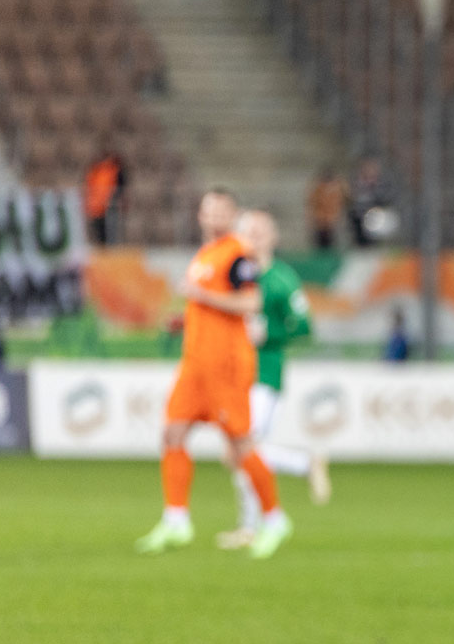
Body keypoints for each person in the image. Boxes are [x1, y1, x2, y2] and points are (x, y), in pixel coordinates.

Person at [135, 189, 293, 560]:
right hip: (196, 364)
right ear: (200, 215)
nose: (214, 217)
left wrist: (201, 297)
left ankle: (274, 519)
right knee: (172, 432)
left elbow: (249, 302)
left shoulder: (238, 254)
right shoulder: (204, 255)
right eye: (208, 210)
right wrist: (184, 318)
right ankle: (176, 519)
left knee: (240, 446)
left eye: (222, 211)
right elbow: (204, 303)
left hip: (225, 365)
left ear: (232, 215)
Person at [216, 209, 330, 551]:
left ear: (274, 237)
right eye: (249, 230)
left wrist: (272, 333)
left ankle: (256, 524)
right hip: (235, 372)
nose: (255, 236)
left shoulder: (282, 279)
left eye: (261, 230)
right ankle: (303, 464)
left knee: (243, 449)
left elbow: (305, 325)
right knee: (237, 453)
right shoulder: (237, 275)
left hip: (266, 373)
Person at [84, 148, 127, 246]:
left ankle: (110, 250)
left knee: (110, 233)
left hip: (110, 206)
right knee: (100, 234)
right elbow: (90, 186)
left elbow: (120, 186)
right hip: (97, 206)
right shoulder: (95, 169)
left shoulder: (114, 169)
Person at [347, 158, 392, 248]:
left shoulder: (380, 184)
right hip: (360, 216)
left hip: (374, 216)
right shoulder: (357, 182)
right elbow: (352, 197)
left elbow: (384, 197)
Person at [307, 168, 346, 252]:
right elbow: (313, 204)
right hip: (321, 221)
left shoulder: (337, 190)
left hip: (332, 222)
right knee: (320, 244)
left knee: (332, 243)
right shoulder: (318, 190)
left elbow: (343, 201)